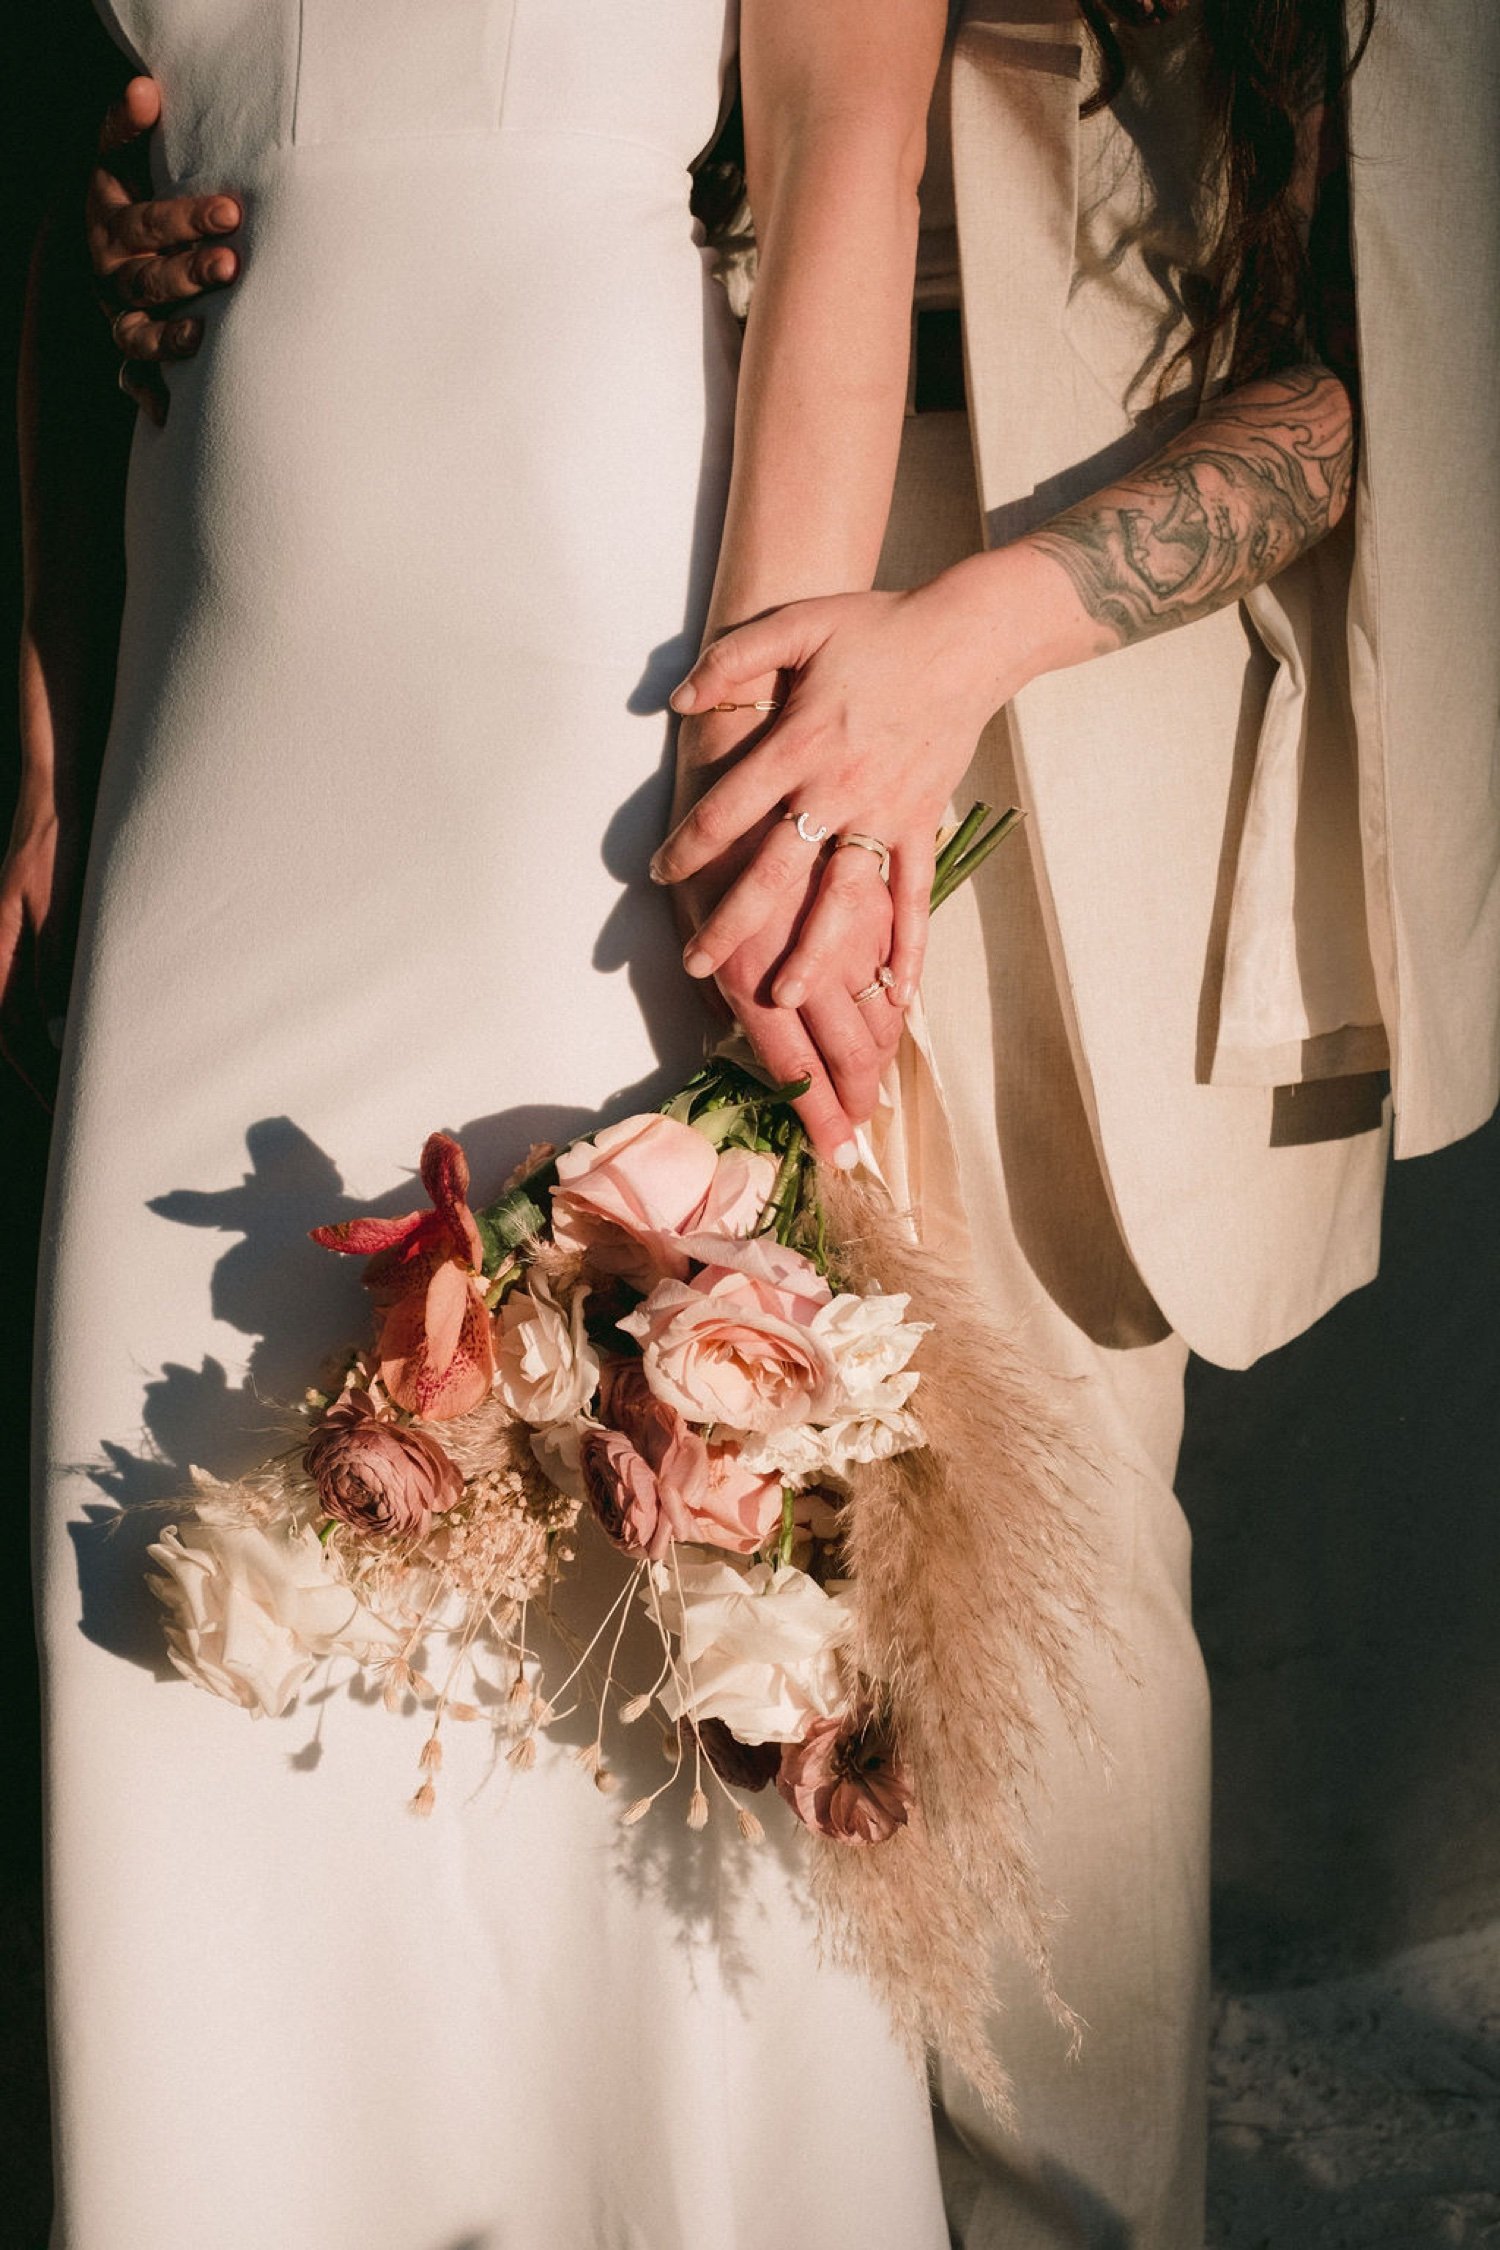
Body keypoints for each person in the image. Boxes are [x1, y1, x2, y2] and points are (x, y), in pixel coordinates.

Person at [12, 4, 1499, 2248]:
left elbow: (1341, 357)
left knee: (871, 1669)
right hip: (393, 648)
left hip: (804, 690)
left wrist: (849, 728)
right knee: (274, 1548)